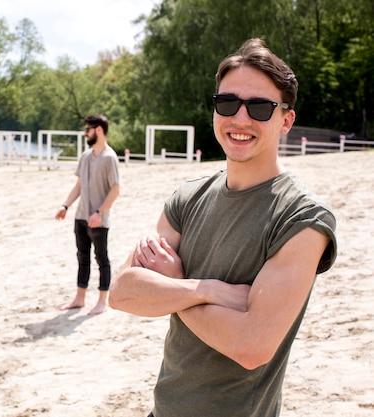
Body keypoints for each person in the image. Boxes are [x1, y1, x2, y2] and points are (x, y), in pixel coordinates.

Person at [109, 38, 337, 416]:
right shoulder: (187, 198)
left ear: (286, 121)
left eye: (260, 107)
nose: (240, 119)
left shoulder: (302, 218)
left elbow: (252, 346)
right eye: (227, 103)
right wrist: (209, 289)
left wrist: (174, 288)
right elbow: (123, 293)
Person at [55, 114, 121, 315]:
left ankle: (102, 302)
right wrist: (65, 206)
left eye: (88, 130)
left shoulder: (110, 158)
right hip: (81, 217)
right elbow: (79, 186)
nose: (85, 133)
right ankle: (80, 298)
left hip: (99, 220)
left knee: (102, 259)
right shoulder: (84, 156)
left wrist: (99, 213)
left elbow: (115, 189)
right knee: (82, 258)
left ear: (99, 130)